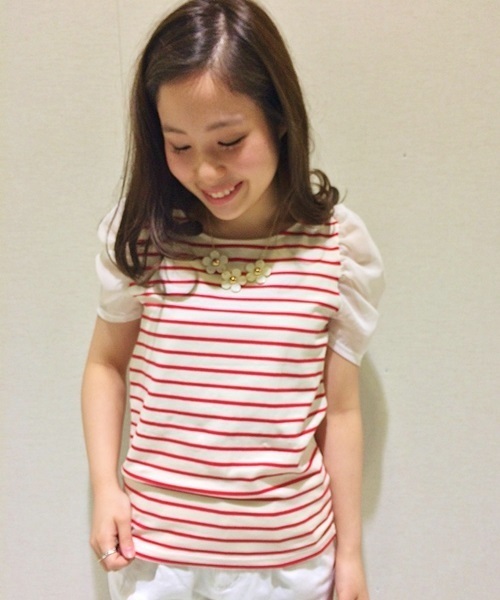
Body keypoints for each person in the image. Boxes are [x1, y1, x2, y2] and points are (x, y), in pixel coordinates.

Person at [81, 1, 384, 599]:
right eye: (179, 146)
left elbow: (342, 413)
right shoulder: (144, 235)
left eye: (229, 140)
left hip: (288, 564)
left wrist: (350, 555)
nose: (207, 171)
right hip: (157, 559)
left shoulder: (337, 248)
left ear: (279, 119)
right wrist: (104, 487)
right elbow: (105, 365)